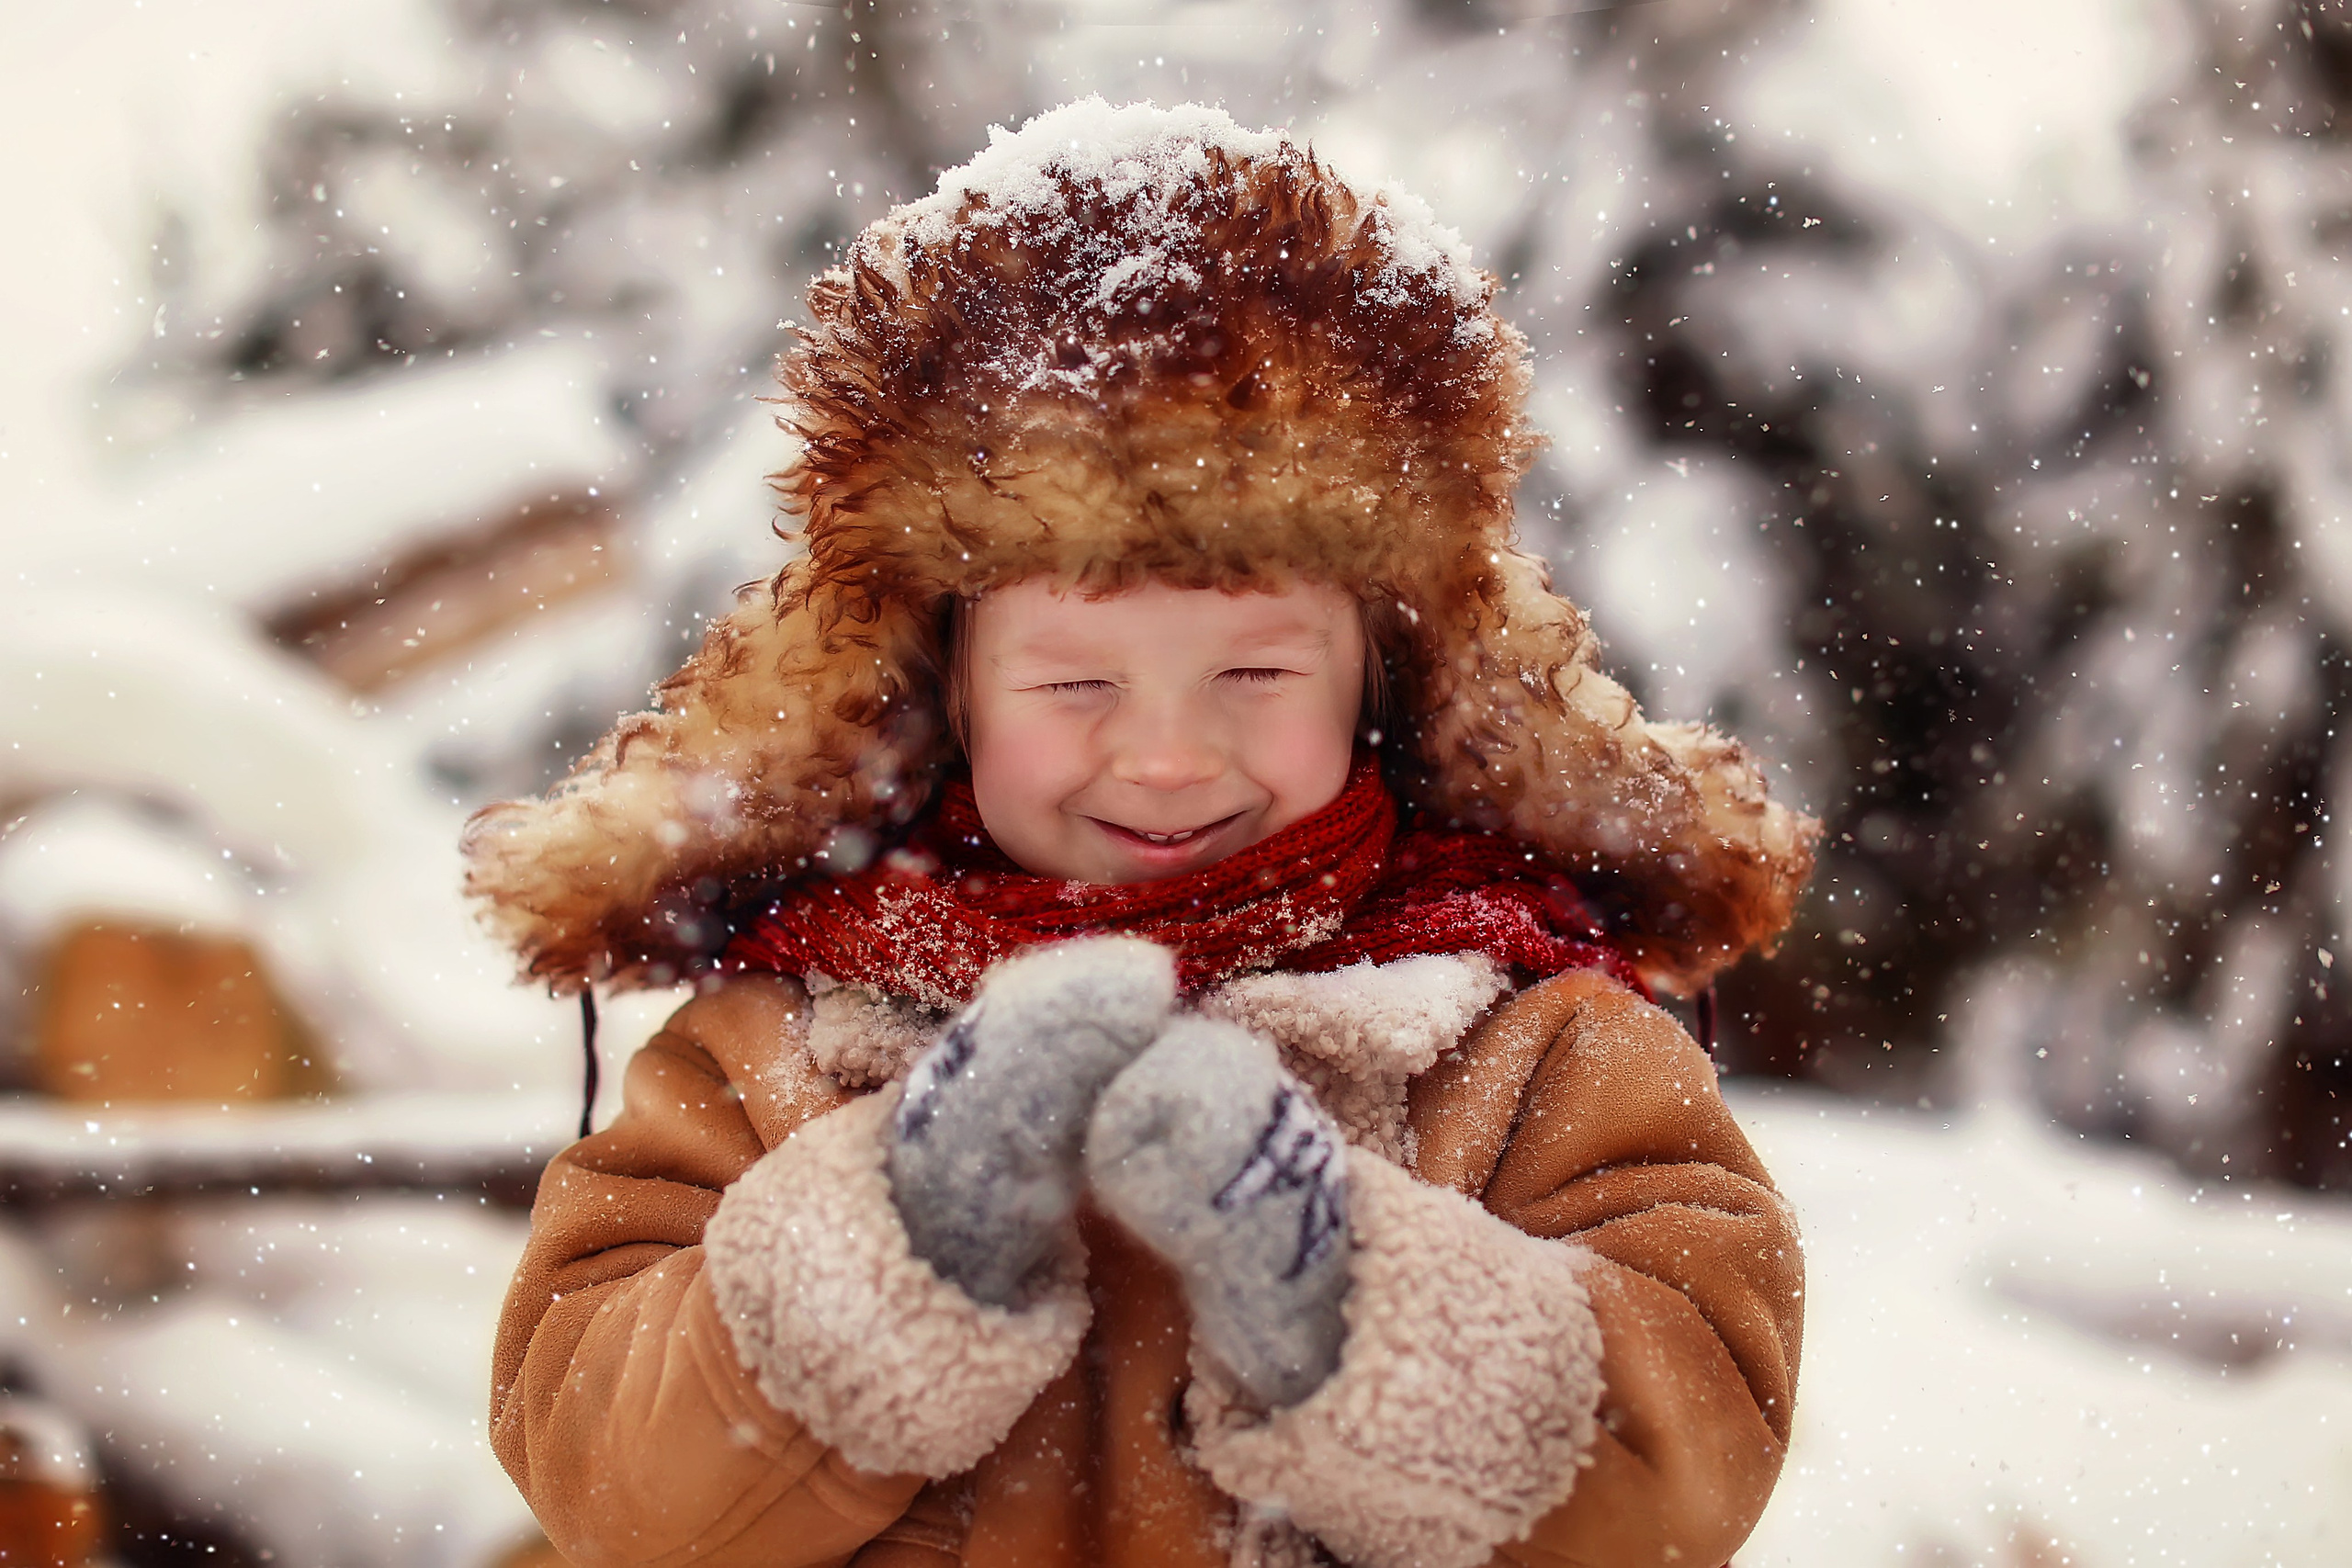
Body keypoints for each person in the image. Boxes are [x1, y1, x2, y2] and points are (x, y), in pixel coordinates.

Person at [465, 98, 1817, 1568]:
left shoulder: (1526, 1034)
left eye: (1255, 673)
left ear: (1385, 670)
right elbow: (595, 1460)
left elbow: (1692, 1455)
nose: (1168, 752)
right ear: (943, 685)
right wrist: (902, 1232)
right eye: (1073, 682)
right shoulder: (780, 1038)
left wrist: (1331, 1287)